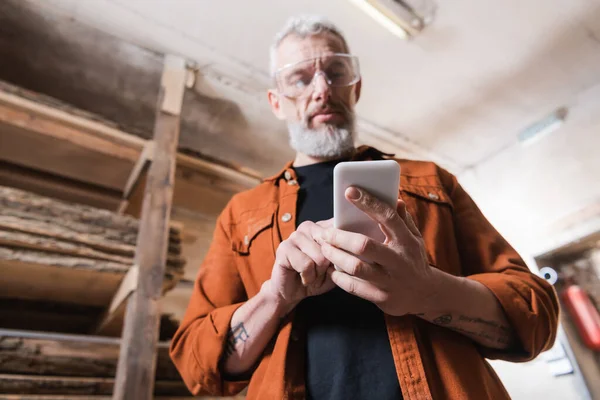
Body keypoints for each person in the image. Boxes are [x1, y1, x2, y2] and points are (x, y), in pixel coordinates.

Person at [170, 15, 559, 400]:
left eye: (336, 71)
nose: (322, 88)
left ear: (355, 89)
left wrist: (428, 293)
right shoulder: (241, 213)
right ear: (277, 103)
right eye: (301, 78)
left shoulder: (432, 181)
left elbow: (535, 314)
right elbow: (195, 363)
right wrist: (274, 299)